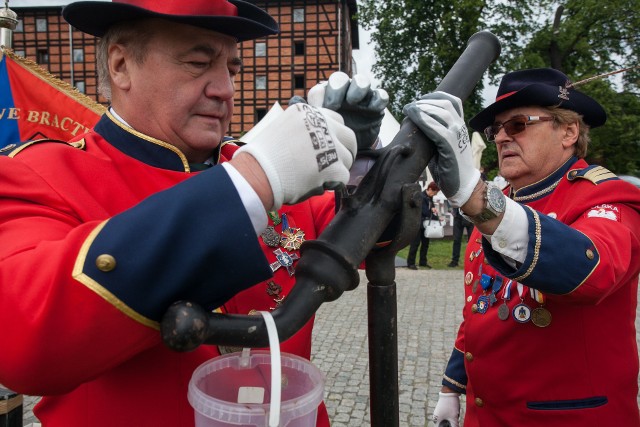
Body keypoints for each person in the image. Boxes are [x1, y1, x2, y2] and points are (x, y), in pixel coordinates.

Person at [0, 1, 388, 426]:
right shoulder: (37, 175)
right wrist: (252, 182)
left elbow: (376, 237)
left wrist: (370, 161)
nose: (225, 89)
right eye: (198, 62)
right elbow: (24, 345)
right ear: (121, 65)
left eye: (233, 69)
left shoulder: (266, 168)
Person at [403, 68, 640, 426]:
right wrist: (453, 385)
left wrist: (477, 198)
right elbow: (481, 307)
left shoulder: (608, 197)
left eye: (517, 125)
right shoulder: (502, 204)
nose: (500, 138)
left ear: (569, 131)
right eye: (495, 129)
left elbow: (595, 268)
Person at [407, 181, 441, 270]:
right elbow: (424, 211)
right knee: (415, 243)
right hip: (418, 223)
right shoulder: (421, 197)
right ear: (430, 189)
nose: (435, 194)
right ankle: (410, 263)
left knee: (425, 244)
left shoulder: (429, 197)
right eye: (434, 192)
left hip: (426, 225)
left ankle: (423, 262)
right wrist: (433, 211)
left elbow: (430, 210)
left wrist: (434, 213)